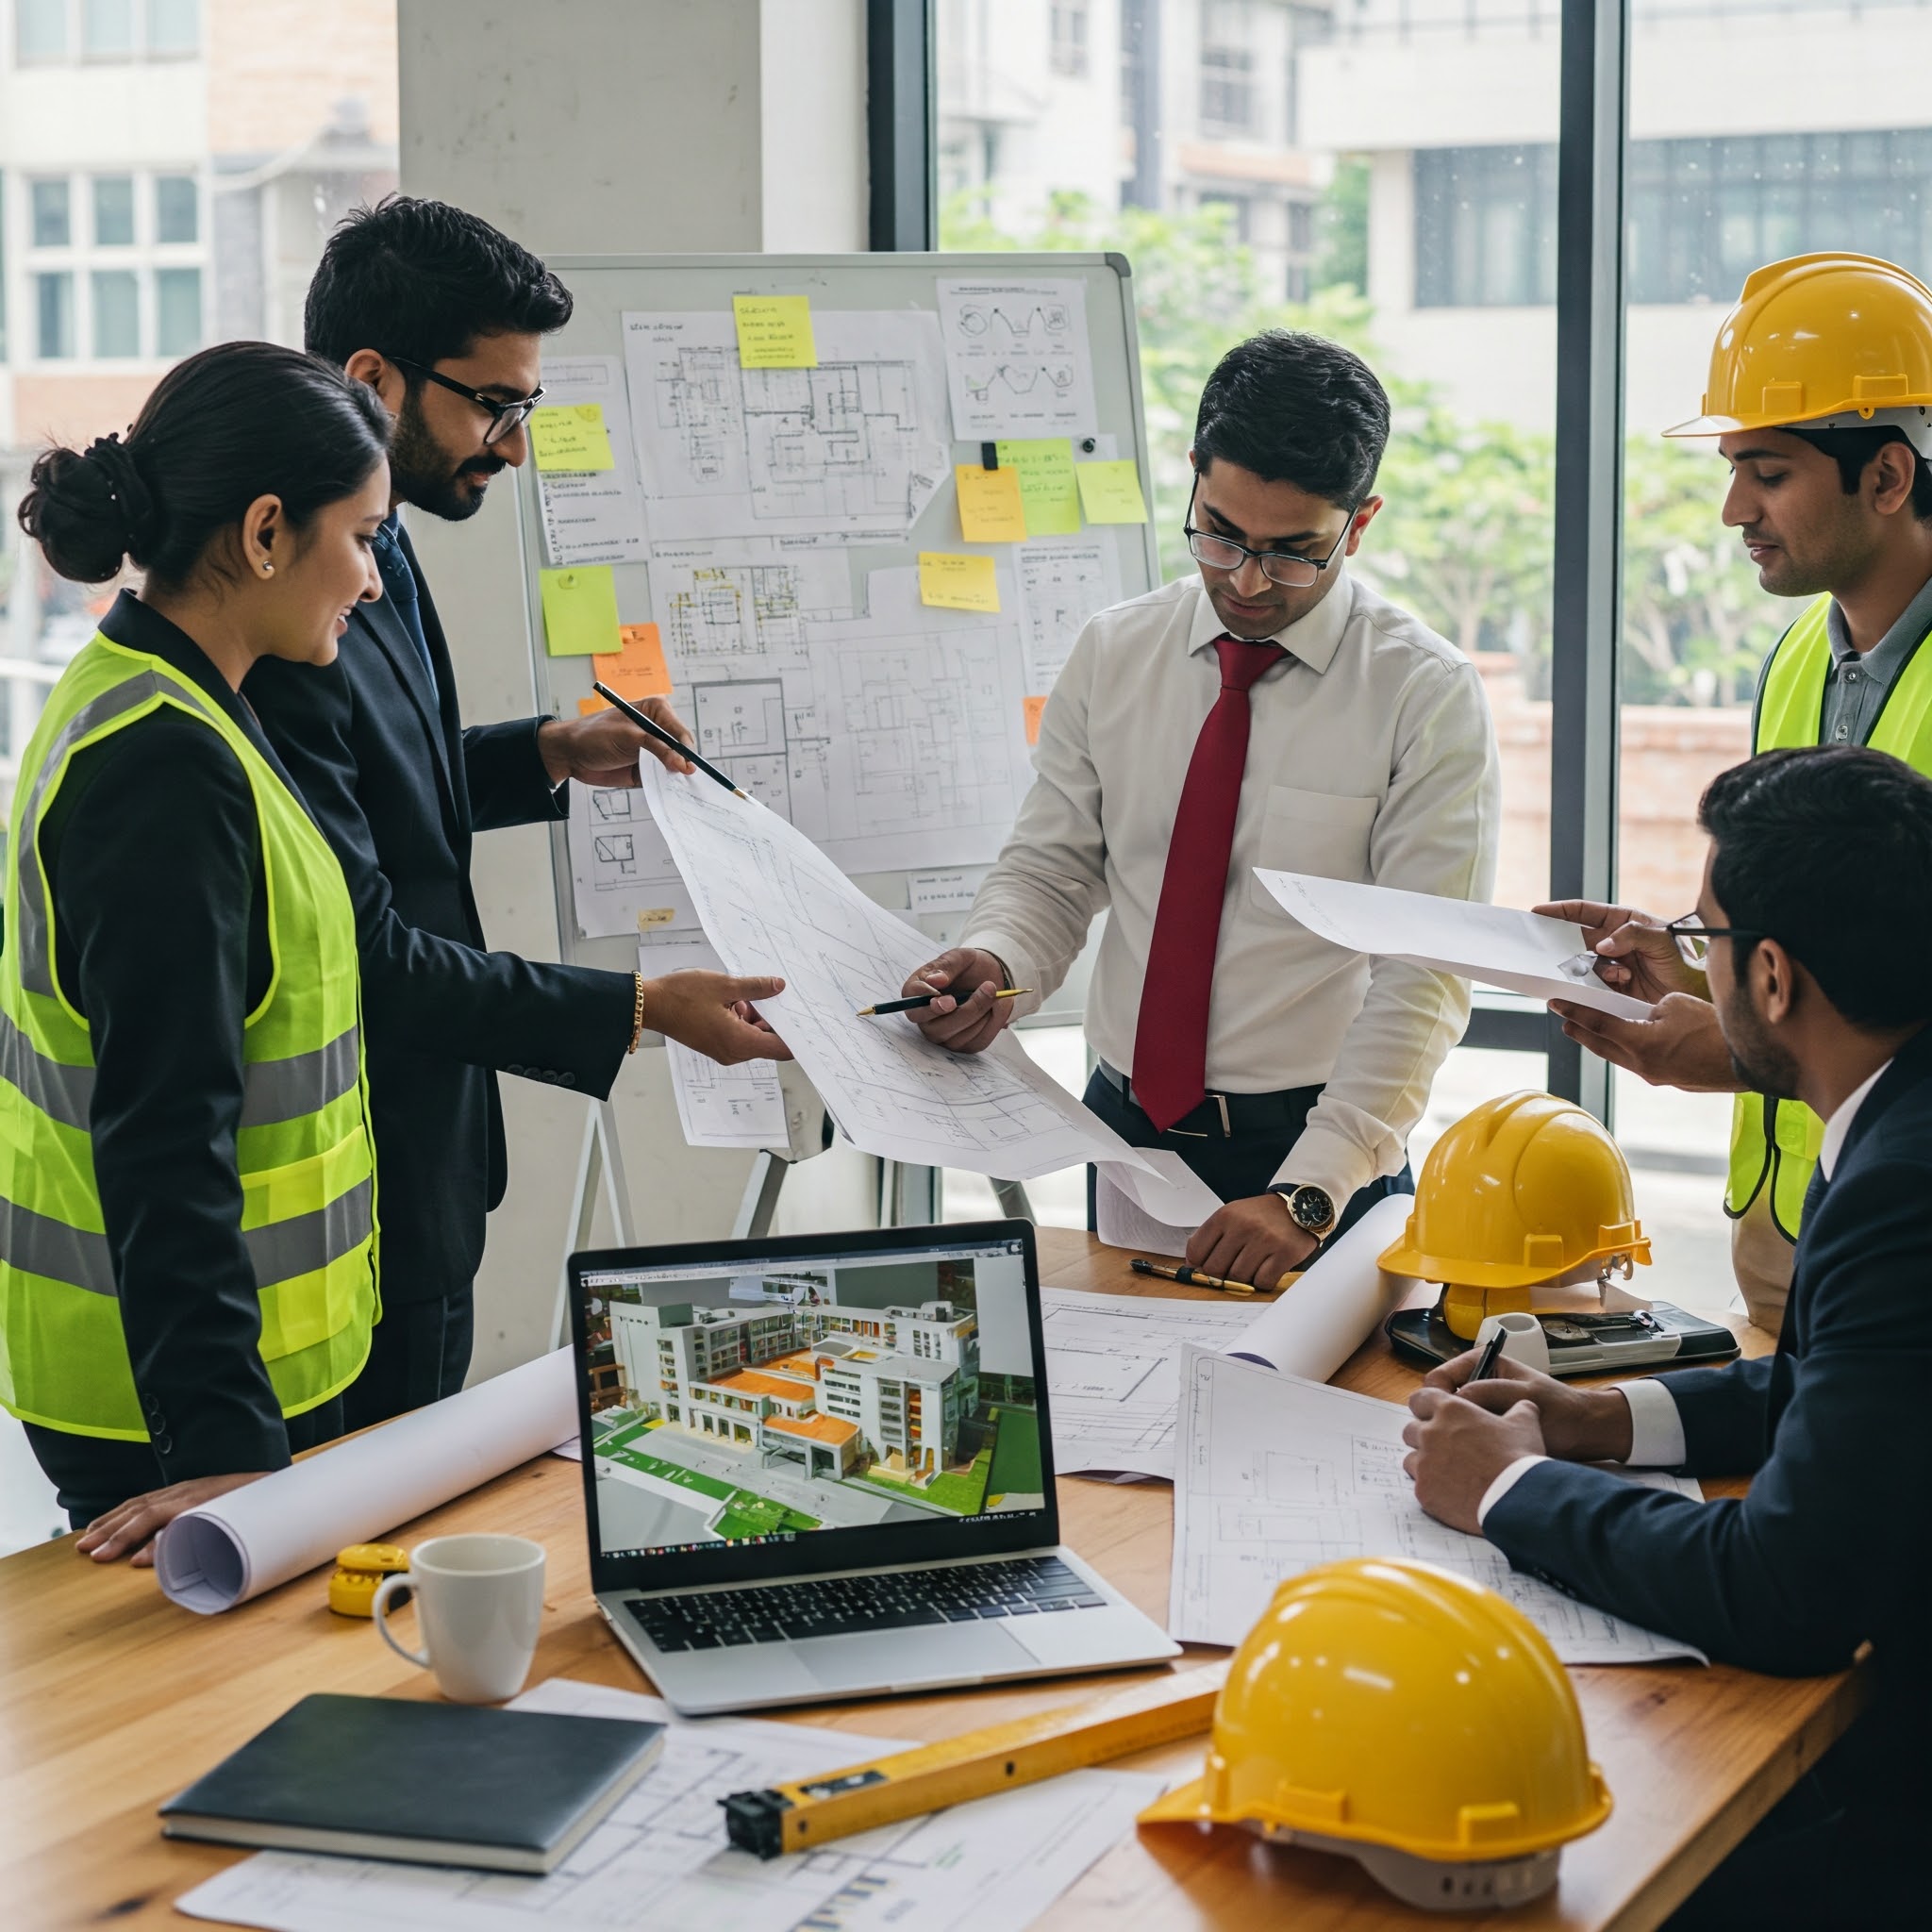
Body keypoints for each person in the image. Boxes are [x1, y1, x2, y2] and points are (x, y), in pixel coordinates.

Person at [245, 197, 786, 1429]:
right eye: (495, 405)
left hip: (425, 1159)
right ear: (375, 380)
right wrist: (645, 1012)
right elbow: (363, 944)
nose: (513, 447)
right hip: (344, 1183)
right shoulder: (286, 591)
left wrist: (546, 752)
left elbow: (385, 787)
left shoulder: (375, 533)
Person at [1405, 744, 1932, 1927]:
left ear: (1775, 978)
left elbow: (1788, 1590)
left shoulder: (1901, 1189)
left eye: (1702, 941)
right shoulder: (1900, 1109)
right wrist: (1597, 1419)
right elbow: (1832, 1384)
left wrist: (1510, 1489)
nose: (1690, 972)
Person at [904, 330, 1500, 1287]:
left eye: (1294, 552)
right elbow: (1054, 865)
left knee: (1311, 1427)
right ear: (1192, 480)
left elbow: (1421, 976)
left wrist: (1311, 1189)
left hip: (1318, 1154)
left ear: (1361, 521)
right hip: (1128, 1135)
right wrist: (1000, 957)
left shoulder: (1419, 691)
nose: (1248, 581)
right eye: (1219, 534)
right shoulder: (1116, 651)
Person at [1, 342, 393, 1557]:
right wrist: (226, 1448)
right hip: (179, 1409)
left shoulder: (177, 698)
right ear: (267, 530)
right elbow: (164, 1132)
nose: (372, 582)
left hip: (233, 1368)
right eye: (362, 536)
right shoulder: (162, 770)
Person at [1541, 252, 1932, 1332]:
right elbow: (1813, 920)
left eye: (1766, 472)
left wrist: (1725, 1045)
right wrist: (1706, 962)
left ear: (1887, 478)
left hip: (1905, 1234)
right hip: (1787, 1224)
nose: (1730, 510)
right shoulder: (1799, 653)